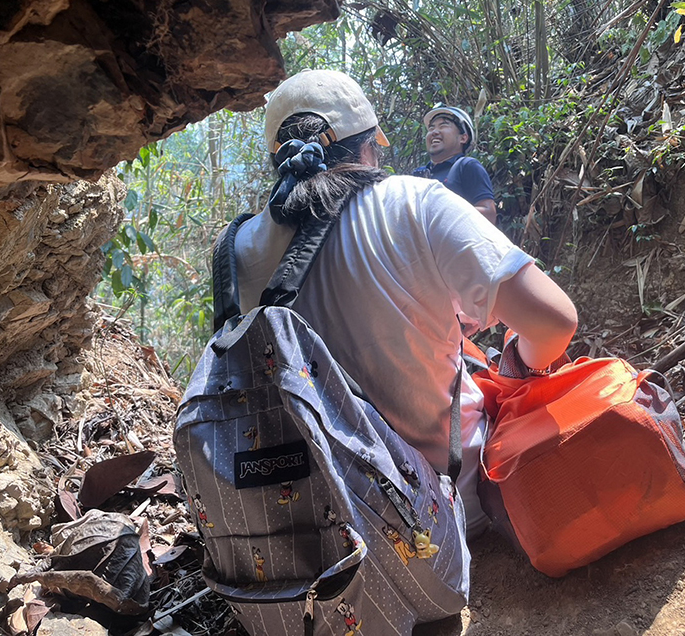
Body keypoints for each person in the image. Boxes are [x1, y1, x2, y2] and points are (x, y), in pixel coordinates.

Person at [233, 69, 577, 536]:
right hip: (452, 507)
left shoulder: (237, 248)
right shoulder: (414, 200)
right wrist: (524, 363)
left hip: (326, 527)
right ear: (370, 144)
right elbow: (555, 321)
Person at [414, 106, 497, 224]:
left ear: (463, 138)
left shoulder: (466, 166)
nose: (434, 132)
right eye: (431, 128)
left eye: (443, 126)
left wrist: (440, 213)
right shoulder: (419, 174)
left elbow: (489, 214)